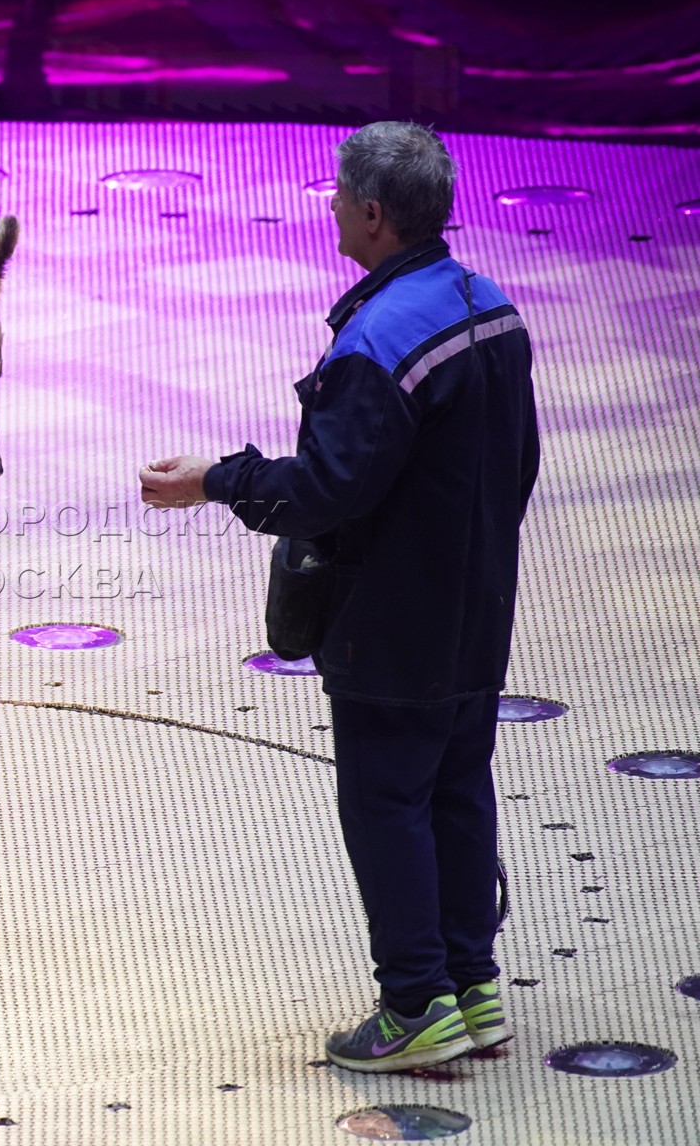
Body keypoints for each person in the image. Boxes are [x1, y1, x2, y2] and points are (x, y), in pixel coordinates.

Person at [138, 121, 540, 1073]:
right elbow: (518, 466)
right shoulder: (494, 308)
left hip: (394, 619)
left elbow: (325, 490)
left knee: (385, 798)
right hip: (478, 605)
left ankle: (413, 1007)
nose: (326, 204)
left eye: (336, 193)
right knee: (454, 781)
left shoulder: (377, 341)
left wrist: (215, 479)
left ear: (371, 213)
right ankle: (471, 985)